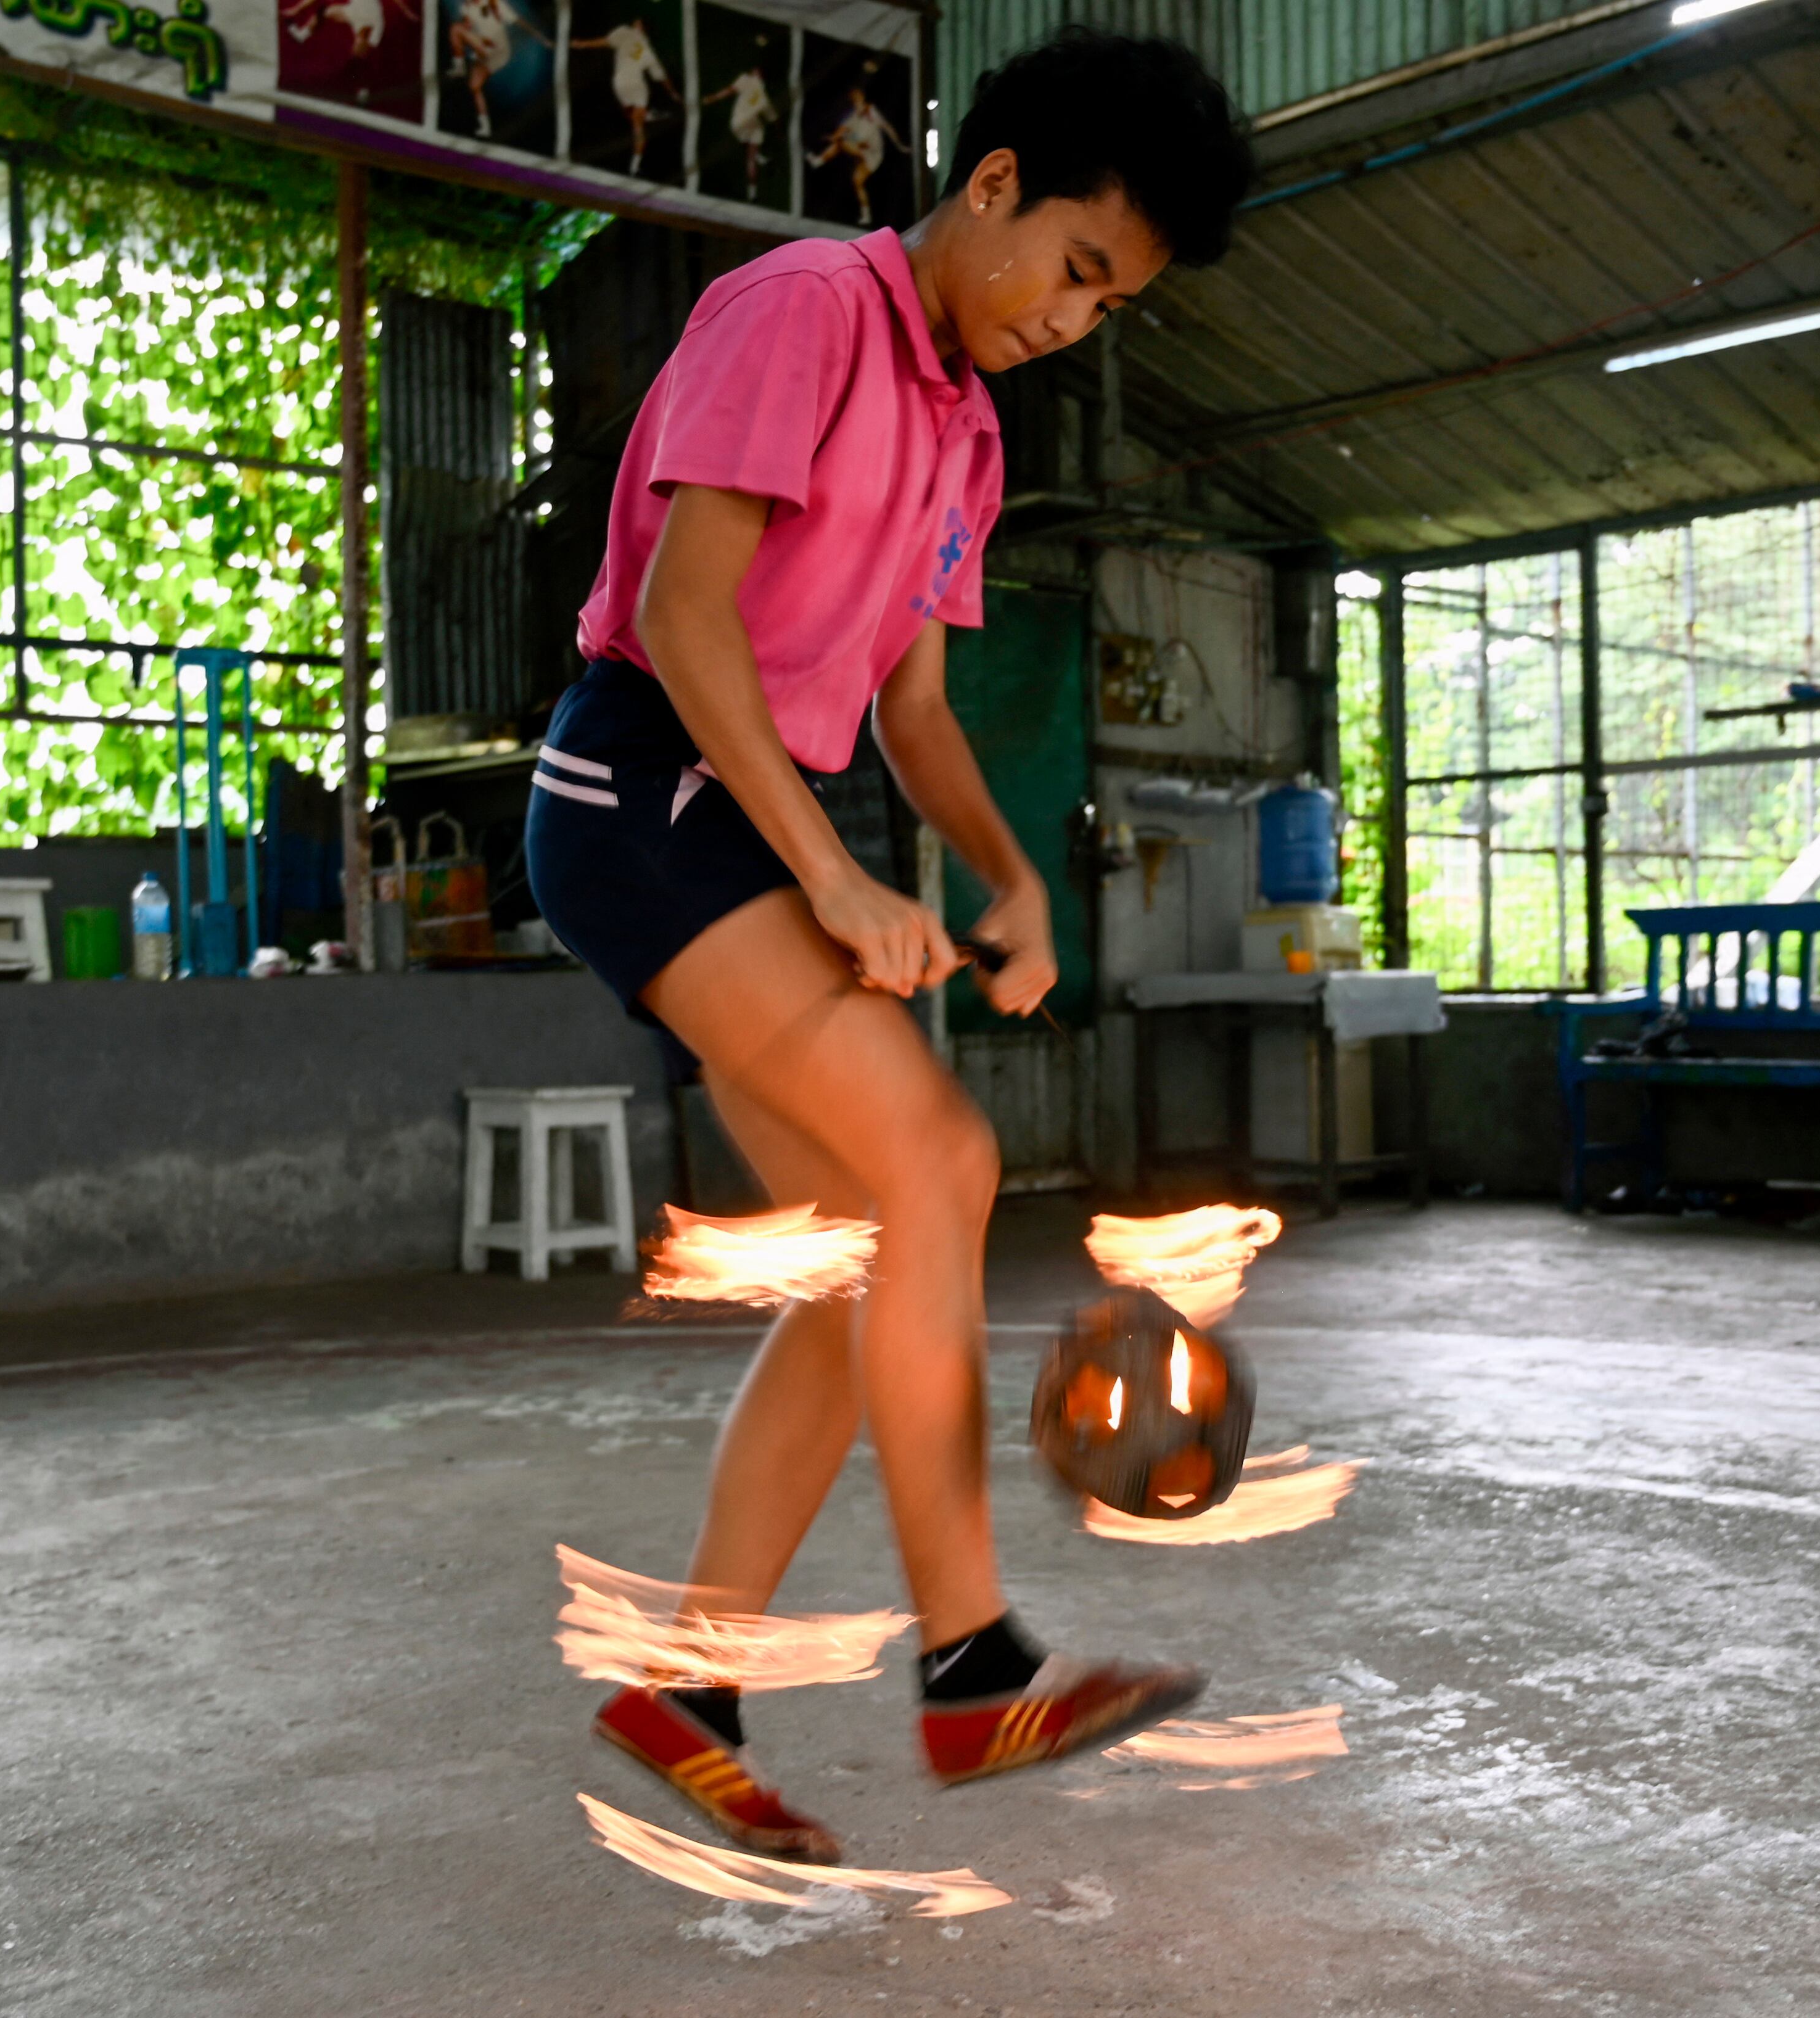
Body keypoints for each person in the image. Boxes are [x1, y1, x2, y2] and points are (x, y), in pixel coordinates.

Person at [525, 30, 1255, 1864]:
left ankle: (685, 1685)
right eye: (1076, 269)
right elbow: (692, 627)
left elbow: (913, 708)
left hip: (738, 809)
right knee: (939, 1151)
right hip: (639, 786)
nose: (1074, 319)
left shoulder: (965, 426)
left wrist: (1008, 873)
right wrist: (840, 888)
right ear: (993, 178)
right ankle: (969, 1664)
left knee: (862, 1273)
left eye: (1113, 308)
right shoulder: (804, 312)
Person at [575, 15, 678, 176]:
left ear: (640, 25)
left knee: (635, 123)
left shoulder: (624, 31)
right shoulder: (648, 49)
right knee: (635, 123)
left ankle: (635, 165)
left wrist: (582, 44)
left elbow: (603, 42)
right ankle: (646, 121)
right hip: (636, 86)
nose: (635, 21)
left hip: (620, 84)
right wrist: (673, 93)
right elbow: (662, 77)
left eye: (637, 21)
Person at [811, 78, 908, 227]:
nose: (855, 99)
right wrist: (832, 137)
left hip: (873, 154)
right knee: (854, 174)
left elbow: (888, 128)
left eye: (857, 96)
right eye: (853, 97)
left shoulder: (871, 112)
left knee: (852, 168)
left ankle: (819, 161)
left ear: (861, 96)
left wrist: (900, 145)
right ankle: (866, 214)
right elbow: (842, 131)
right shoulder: (853, 117)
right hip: (861, 149)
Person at [700, 47, 778, 197]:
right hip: (754, 125)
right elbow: (774, 119)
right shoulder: (764, 96)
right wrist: (779, 132)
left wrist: (712, 98)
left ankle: (758, 158)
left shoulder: (745, 79)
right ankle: (752, 193)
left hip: (738, 123)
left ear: (757, 73)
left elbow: (729, 91)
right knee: (751, 158)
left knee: (745, 144)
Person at [447, 0, 525, 139]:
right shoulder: (467, 7)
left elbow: (516, 20)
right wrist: (468, 31)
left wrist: (540, 37)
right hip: (489, 53)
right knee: (475, 86)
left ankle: (459, 67)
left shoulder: (495, 4)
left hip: (497, 50)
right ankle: (485, 126)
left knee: (455, 29)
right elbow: (468, 25)